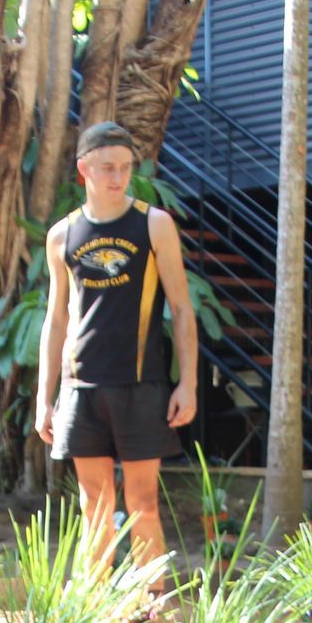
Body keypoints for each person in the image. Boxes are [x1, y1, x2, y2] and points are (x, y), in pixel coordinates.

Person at [34, 121, 199, 578]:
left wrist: (188, 383)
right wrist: (44, 397)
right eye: (107, 168)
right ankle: (98, 622)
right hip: (82, 386)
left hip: (140, 383)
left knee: (143, 504)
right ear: (83, 168)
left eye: (125, 168)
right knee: (94, 506)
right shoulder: (62, 235)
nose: (117, 177)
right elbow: (56, 319)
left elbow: (182, 310)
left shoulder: (154, 224)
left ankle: (154, 621)